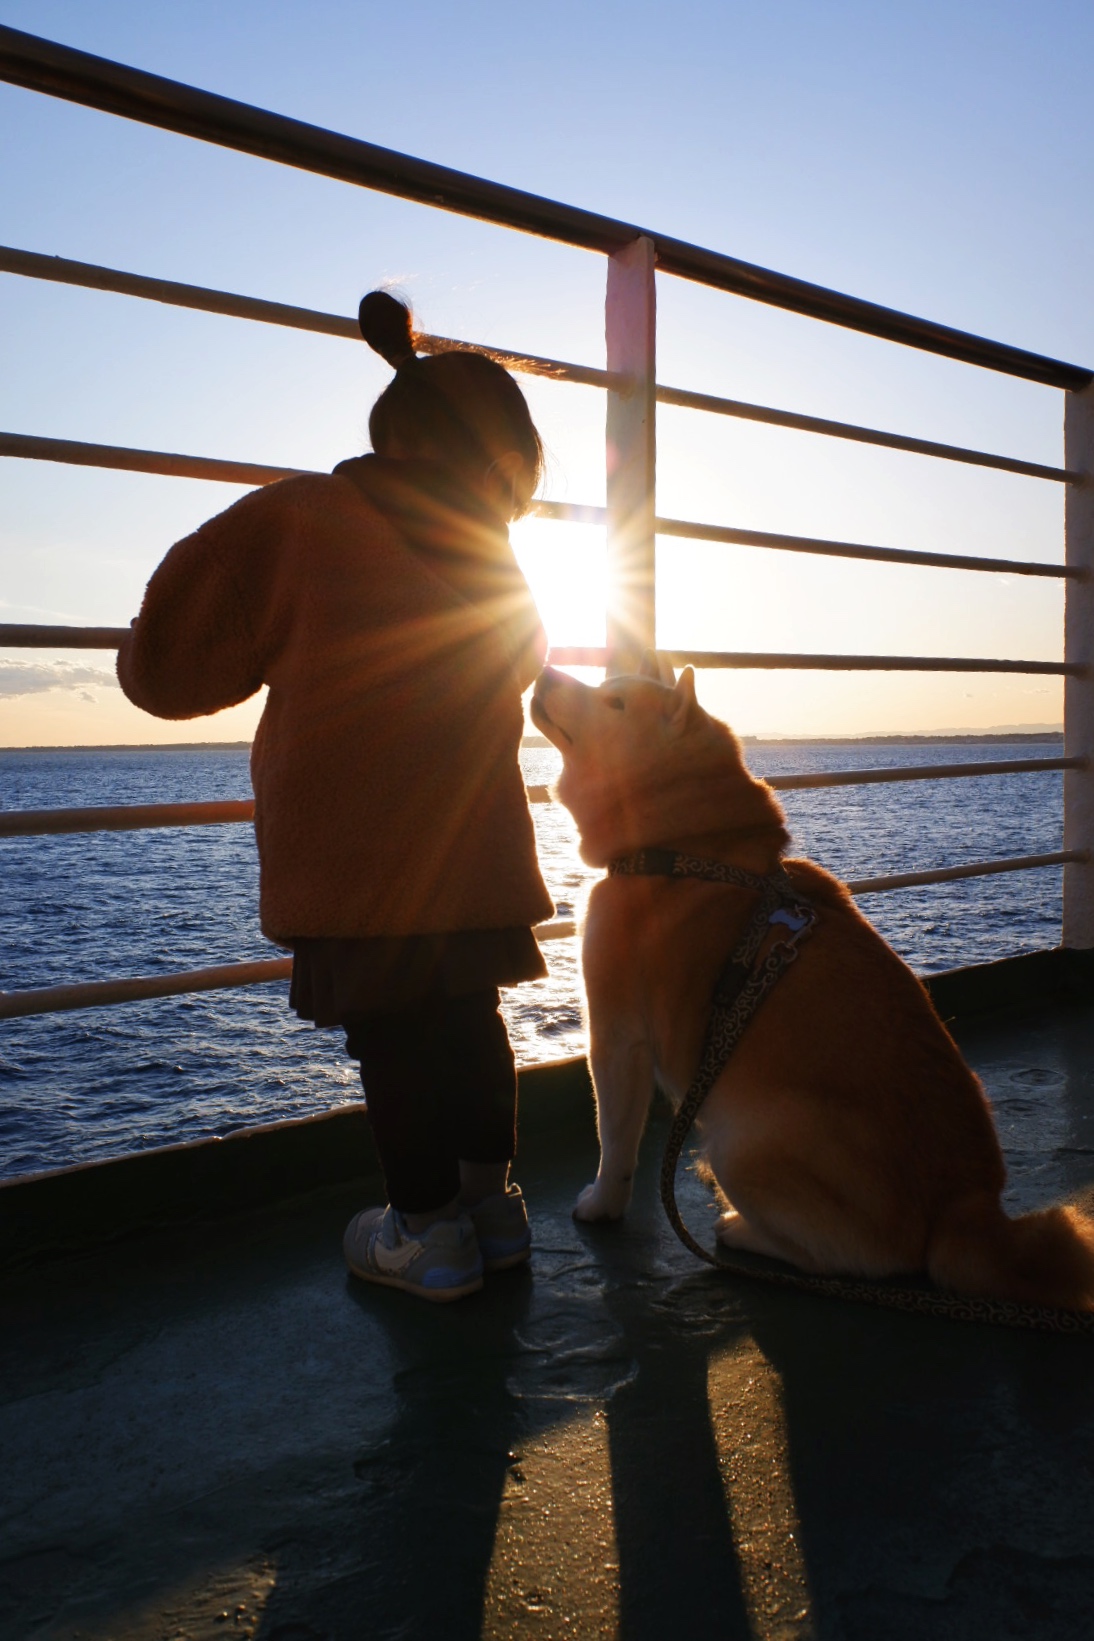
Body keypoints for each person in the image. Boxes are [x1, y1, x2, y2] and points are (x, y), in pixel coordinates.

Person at [117, 290, 554, 1301]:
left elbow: (168, 672)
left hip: (359, 859)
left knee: (393, 1035)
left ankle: (424, 1233)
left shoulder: (300, 516)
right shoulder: (499, 560)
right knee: (468, 1019)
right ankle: (492, 1210)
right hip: (475, 852)